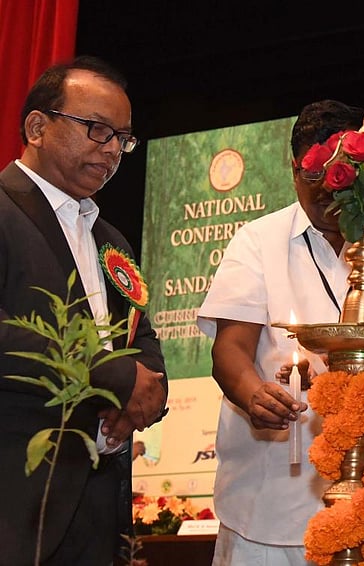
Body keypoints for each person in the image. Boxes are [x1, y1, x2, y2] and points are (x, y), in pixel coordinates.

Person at [197, 99, 364, 566]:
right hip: (269, 508)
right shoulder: (258, 241)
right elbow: (230, 349)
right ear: (293, 168)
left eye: (335, 175)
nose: (321, 192)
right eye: (307, 176)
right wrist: (254, 393)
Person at [0, 56, 167, 565]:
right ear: (37, 127)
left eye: (123, 137)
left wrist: (150, 386)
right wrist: (112, 376)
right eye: (97, 130)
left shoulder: (109, 237)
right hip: (16, 499)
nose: (114, 148)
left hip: (98, 501)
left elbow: (141, 334)